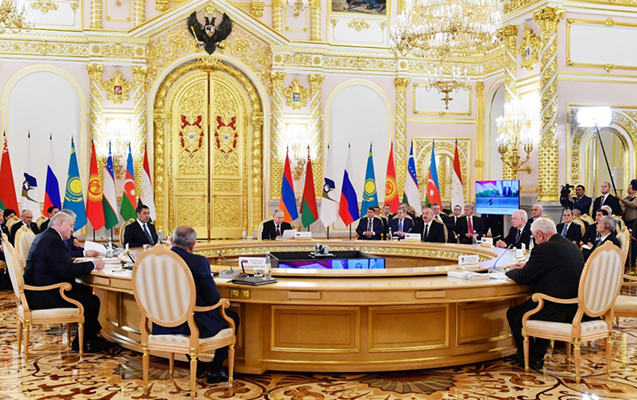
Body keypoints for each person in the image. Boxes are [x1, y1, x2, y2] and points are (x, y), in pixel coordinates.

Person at [152, 226, 240, 384]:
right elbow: (212, 299)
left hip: (162, 323)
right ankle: (216, 369)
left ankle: (198, 365)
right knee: (232, 317)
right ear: (192, 245)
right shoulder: (198, 262)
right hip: (193, 325)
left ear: (171, 240)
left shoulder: (156, 261)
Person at [23, 212, 114, 352]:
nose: (72, 230)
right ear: (60, 223)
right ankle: (87, 342)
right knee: (92, 301)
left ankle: (89, 336)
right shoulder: (53, 241)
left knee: (84, 289)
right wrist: (93, 264)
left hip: (38, 291)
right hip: (44, 296)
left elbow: (58, 266)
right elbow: (66, 271)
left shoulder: (45, 237)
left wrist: (74, 264)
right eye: (71, 226)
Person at [505, 218, 585, 371]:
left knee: (515, 314)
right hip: (574, 306)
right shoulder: (571, 245)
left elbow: (523, 277)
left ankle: (530, 356)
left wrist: (510, 271)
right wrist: (528, 266)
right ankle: (537, 354)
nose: (536, 242)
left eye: (535, 238)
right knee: (529, 310)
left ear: (540, 234)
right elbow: (553, 267)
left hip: (555, 305)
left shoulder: (544, 248)